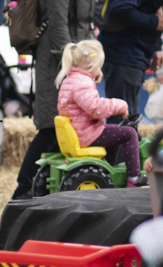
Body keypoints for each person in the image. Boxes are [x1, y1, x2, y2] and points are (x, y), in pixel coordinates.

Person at [12, 0, 116, 200]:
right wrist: (74, 64)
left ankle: (47, 190)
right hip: (56, 63)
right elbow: (57, 21)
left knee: (69, 129)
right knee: (51, 126)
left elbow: (85, 25)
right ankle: (22, 191)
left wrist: (92, 63)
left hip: (74, 65)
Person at [57, 40, 144, 188]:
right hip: (86, 135)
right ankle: (134, 177)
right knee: (129, 133)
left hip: (79, 132)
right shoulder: (82, 83)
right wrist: (121, 106)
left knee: (115, 131)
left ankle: (108, 167)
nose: (100, 70)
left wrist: (93, 75)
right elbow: (96, 109)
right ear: (91, 67)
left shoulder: (70, 80)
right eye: (99, 66)